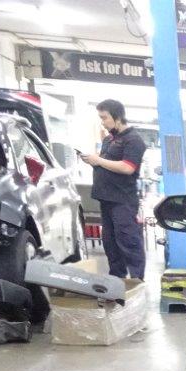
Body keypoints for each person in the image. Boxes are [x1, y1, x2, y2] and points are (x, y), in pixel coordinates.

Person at [82, 99, 147, 279]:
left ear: (117, 117)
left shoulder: (133, 140)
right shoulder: (109, 140)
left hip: (123, 201)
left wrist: (99, 160)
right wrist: (94, 161)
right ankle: (117, 279)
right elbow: (107, 164)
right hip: (107, 199)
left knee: (128, 240)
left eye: (104, 118)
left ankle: (136, 280)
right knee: (110, 242)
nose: (102, 122)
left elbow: (128, 167)